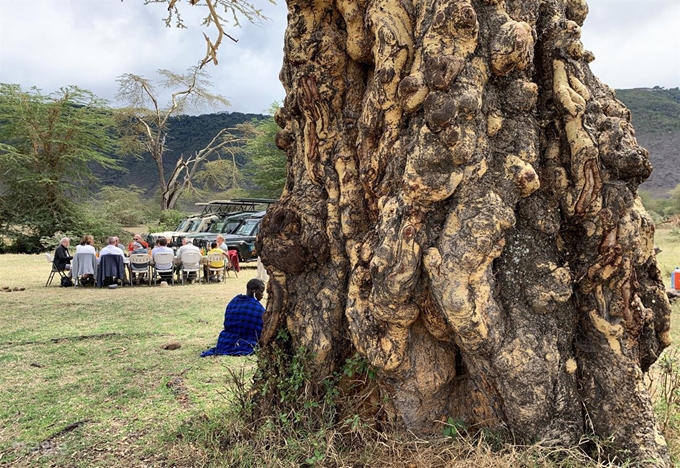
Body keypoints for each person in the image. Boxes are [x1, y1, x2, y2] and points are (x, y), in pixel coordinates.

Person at [201, 279, 266, 356]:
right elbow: (261, 326)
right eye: (261, 292)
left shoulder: (235, 301)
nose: (262, 295)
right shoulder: (257, 307)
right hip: (248, 339)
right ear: (254, 291)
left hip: (227, 339)